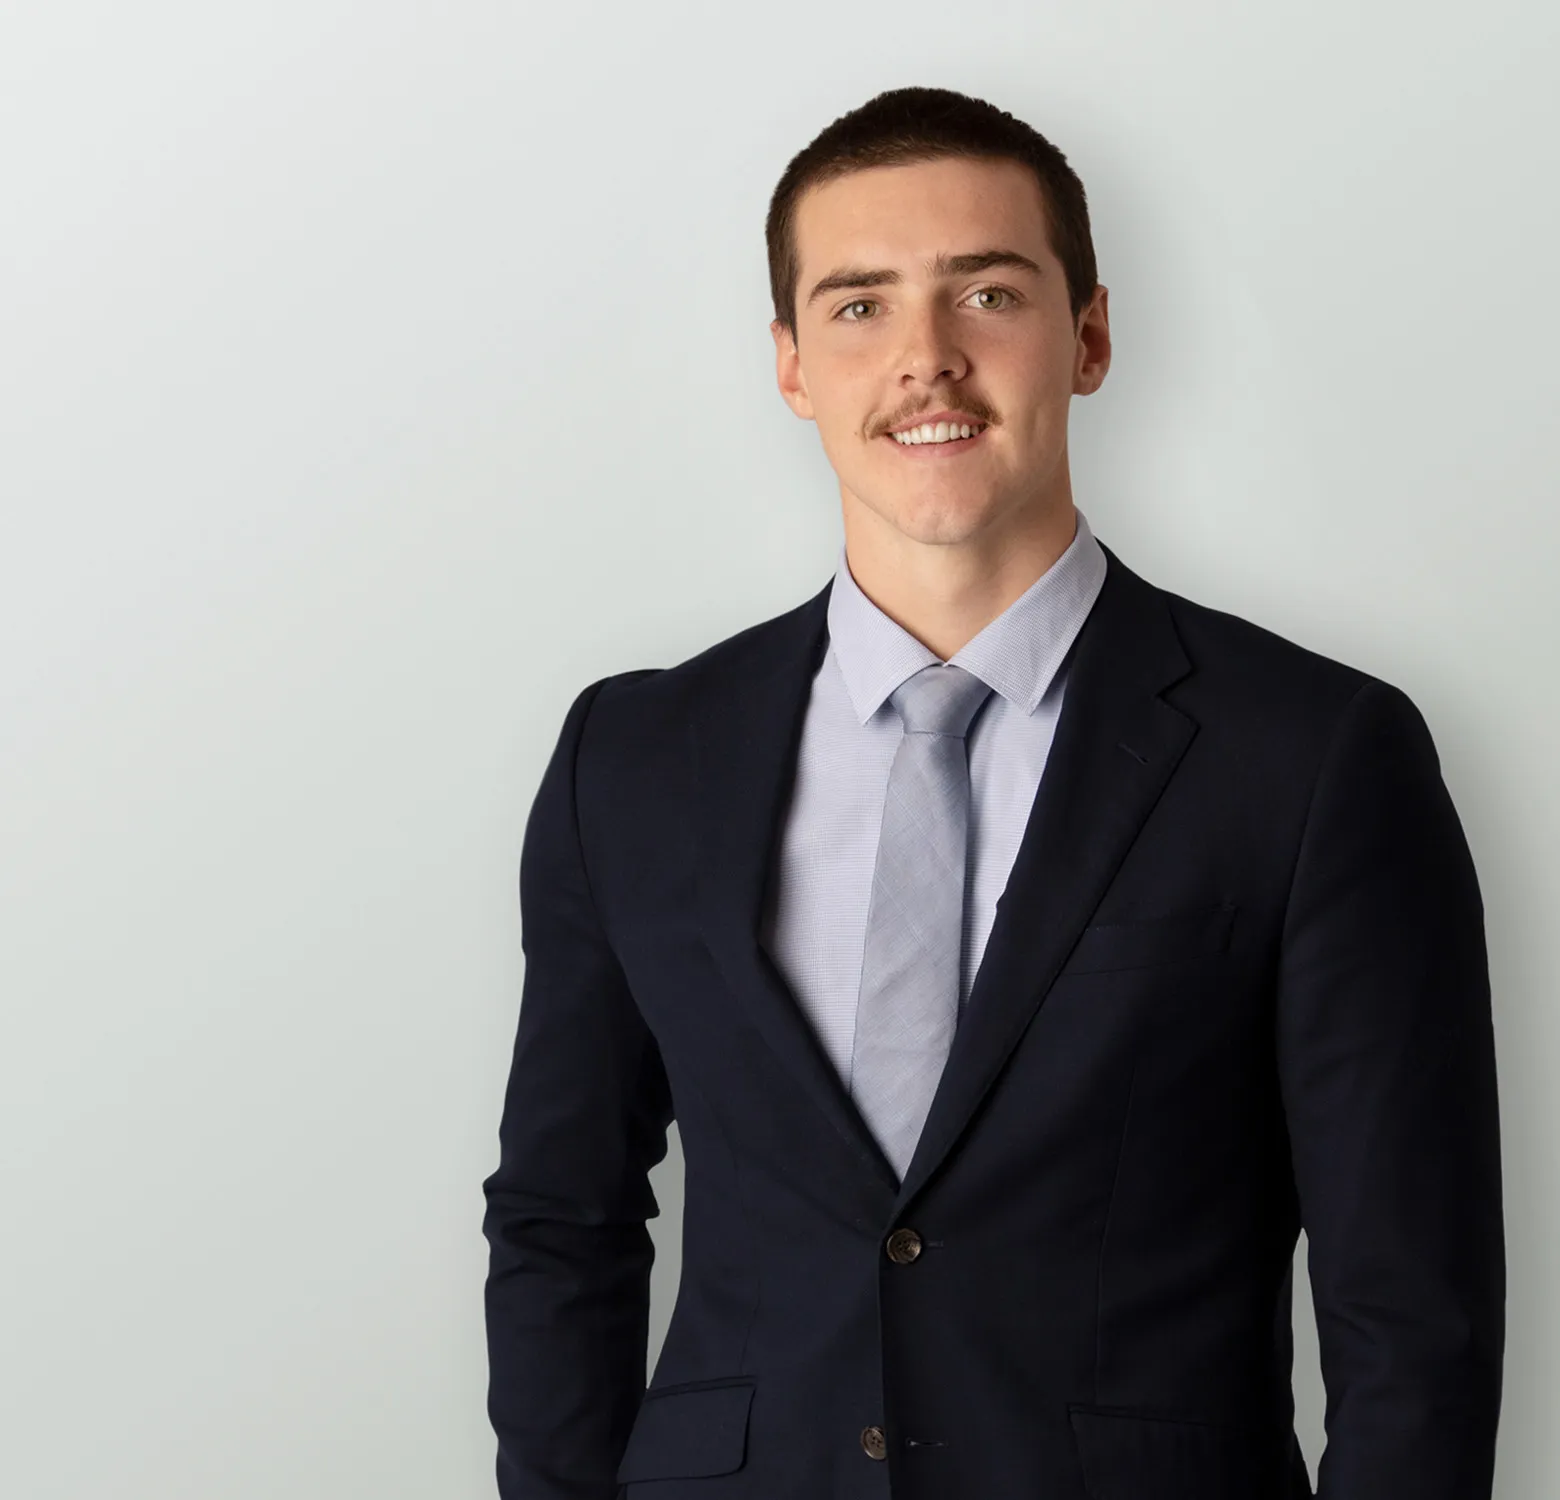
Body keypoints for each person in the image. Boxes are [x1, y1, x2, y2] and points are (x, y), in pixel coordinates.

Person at [480, 85, 1505, 1499]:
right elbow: (562, 1217)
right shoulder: (637, 755)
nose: (928, 359)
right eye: (859, 306)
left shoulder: (1314, 755)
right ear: (791, 365)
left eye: (988, 294)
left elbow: (1413, 1307)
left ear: (1088, 336)